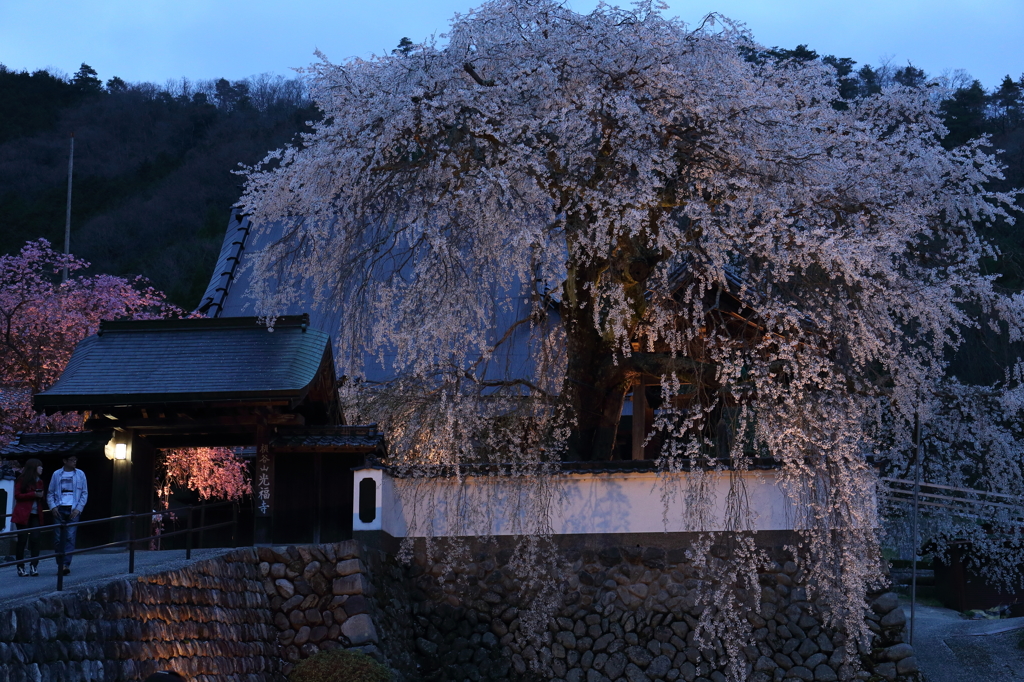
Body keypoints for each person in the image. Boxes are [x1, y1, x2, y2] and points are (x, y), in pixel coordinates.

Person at [47, 455, 87, 575]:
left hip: (73, 508)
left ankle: (65, 564)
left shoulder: (80, 474)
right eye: (72, 460)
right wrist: (53, 507)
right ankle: (60, 564)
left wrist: (79, 509)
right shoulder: (56, 474)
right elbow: (50, 492)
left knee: (70, 536)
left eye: (76, 460)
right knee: (58, 537)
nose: (74, 462)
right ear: (64, 461)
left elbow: (84, 493)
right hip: (59, 507)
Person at [12, 458, 45, 577]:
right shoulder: (22, 480)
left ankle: (34, 565)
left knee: (36, 539)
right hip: (23, 513)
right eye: (39, 466)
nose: (41, 468)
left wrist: (41, 496)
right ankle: (20, 567)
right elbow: (17, 495)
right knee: (22, 540)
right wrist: (33, 494)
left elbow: (40, 497)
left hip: (36, 513)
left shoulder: (39, 481)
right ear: (34, 467)